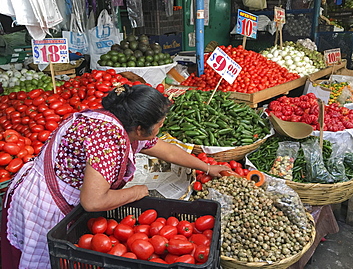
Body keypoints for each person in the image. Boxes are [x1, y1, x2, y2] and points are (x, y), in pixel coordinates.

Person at [1, 84, 231, 268]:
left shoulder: (119, 118)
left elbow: (163, 148)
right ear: (139, 129)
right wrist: (136, 191)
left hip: (52, 191)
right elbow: (93, 201)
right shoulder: (108, 139)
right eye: (159, 125)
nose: (160, 129)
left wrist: (207, 168)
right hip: (44, 205)